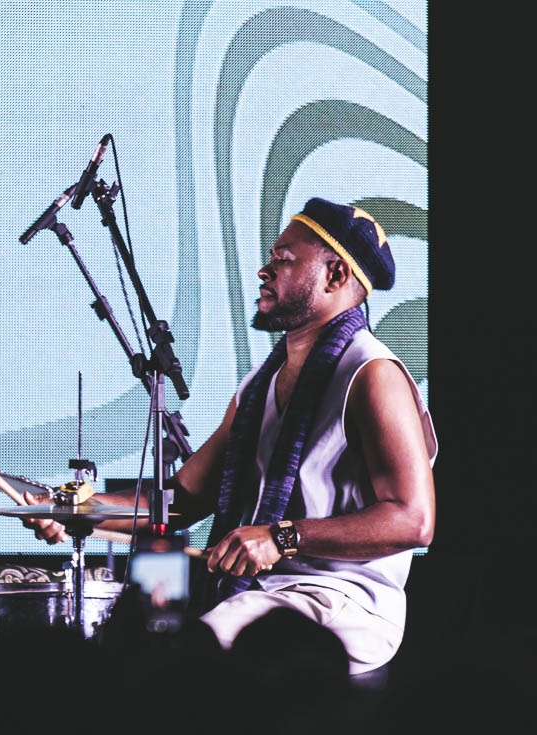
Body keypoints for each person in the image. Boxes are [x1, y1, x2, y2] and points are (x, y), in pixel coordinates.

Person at [24, 197, 437, 674]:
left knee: (196, 657)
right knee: (131, 641)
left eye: (284, 259)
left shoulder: (372, 374)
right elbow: (181, 500)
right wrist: (76, 511)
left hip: (341, 599)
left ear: (336, 275)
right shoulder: (259, 385)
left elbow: (413, 520)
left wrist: (282, 537)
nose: (264, 270)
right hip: (265, 593)